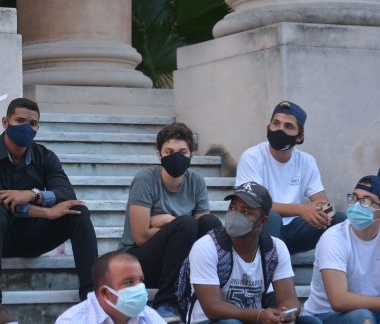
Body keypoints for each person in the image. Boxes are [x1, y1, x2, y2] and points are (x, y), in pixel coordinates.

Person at [0, 98, 98, 324]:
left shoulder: (44, 156)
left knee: (78, 212)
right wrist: (46, 212)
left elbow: (66, 193)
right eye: (20, 121)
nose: (27, 128)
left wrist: (33, 194)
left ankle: (92, 298)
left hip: (30, 237)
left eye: (33, 123)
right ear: (5, 122)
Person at [119, 122, 222, 321]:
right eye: (169, 151)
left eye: (182, 151)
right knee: (186, 224)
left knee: (211, 223)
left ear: (191, 153)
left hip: (178, 260)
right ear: (159, 155)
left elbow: (204, 234)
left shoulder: (196, 182)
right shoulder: (146, 179)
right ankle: (165, 302)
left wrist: (166, 221)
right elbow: (140, 236)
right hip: (138, 259)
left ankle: (210, 294)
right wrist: (177, 227)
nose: (176, 156)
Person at [184, 181, 322, 324]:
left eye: (245, 211)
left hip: (255, 319)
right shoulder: (207, 246)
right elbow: (212, 308)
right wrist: (260, 315)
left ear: (263, 221)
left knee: (311, 322)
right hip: (209, 321)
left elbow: (289, 298)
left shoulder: (275, 248)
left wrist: (284, 314)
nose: (235, 215)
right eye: (232, 208)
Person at [235, 100, 345, 254]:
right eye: (276, 123)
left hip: (293, 232)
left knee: (339, 220)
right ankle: (269, 275)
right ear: (268, 128)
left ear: (300, 137)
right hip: (259, 228)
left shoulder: (307, 161)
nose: (280, 130)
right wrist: (300, 210)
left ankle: (332, 271)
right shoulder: (252, 157)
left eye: (288, 126)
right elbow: (253, 205)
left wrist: (325, 212)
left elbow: (325, 205)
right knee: (271, 217)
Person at [304, 172, 380, 323]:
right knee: (362, 317)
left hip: (373, 310)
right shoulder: (334, 238)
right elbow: (339, 300)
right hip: (325, 317)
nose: (356, 205)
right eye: (354, 198)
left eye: (366, 201)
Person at [56, 251, 166, 324]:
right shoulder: (73, 320)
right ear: (105, 293)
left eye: (141, 280)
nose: (140, 288)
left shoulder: (150, 317)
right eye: (129, 282)